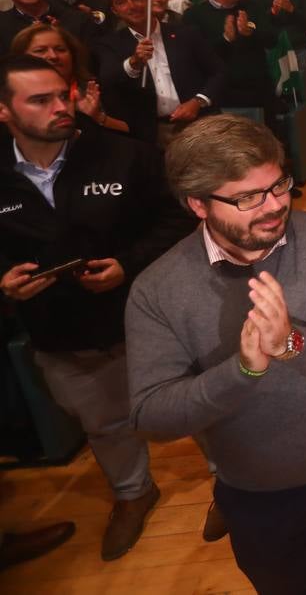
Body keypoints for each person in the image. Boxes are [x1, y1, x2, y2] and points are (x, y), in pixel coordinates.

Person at [125, 114, 306, 594]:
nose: (274, 206)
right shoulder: (158, 290)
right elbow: (152, 414)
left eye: (279, 186)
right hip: (258, 496)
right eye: (247, 197)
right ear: (197, 203)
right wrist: (241, 371)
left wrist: (291, 344)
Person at [0, 55, 190, 561]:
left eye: (62, 95)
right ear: (4, 111)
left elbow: (178, 222)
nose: (60, 107)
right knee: (104, 423)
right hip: (63, 335)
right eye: (40, 100)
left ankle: (229, 484)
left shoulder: (126, 156)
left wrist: (128, 265)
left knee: (196, 404)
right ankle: (133, 493)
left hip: (151, 319)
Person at [94, 0, 225, 146]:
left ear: (147, 1)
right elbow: (108, 79)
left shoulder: (186, 33)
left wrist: (198, 101)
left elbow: (218, 72)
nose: (132, 6)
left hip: (200, 124)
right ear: (114, 11)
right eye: (122, 2)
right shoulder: (110, 44)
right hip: (152, 133)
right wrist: (134, 62)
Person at [12, 23, 128, 133]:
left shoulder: (99, 88)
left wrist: (98, 117)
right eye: (40, 51)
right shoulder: (11, 97)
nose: (53, 56)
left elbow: (134, 133)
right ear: (22, 58)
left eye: (60, 49)